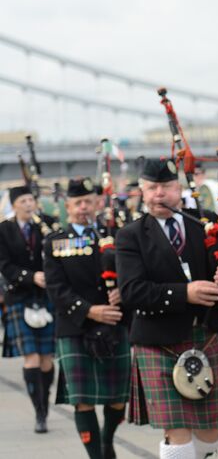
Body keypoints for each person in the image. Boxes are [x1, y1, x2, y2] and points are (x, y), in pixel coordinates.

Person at [116, 158, 218, 459]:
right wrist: (185, 293)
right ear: (142, 192)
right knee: (177, 431)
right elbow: (132, 291)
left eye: (166, 188)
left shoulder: (205, 223)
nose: (159, 195)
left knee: (212, 433)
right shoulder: (130, 235)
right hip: (157, 340)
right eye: (151, 188)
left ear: (180, 189)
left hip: (205, 336)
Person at [44, 177, 130, 459]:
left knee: (119, 399)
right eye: (77, 202)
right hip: (76, 326)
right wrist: (89, 310)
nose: (83, 207)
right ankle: (97, 456)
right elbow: (56, 289)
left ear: (97, 203)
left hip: (115, 323)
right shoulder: (55, 242)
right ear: (67, 206)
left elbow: (132, 273)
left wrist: (123, 291)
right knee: (83, 401)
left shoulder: (116, 235)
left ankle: (107, 441)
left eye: (88, 202)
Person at [0, 185, 56, 433]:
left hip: (46, 297)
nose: (28, 203)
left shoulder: (46, 226)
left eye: (31, 199)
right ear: (14, 204)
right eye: (22, 200)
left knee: (46, 359)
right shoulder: (3, 230)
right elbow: (4, 265)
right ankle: (39, 412)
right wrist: (31, 277)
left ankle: (44, 403)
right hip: (19, 297)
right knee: (31, 357)